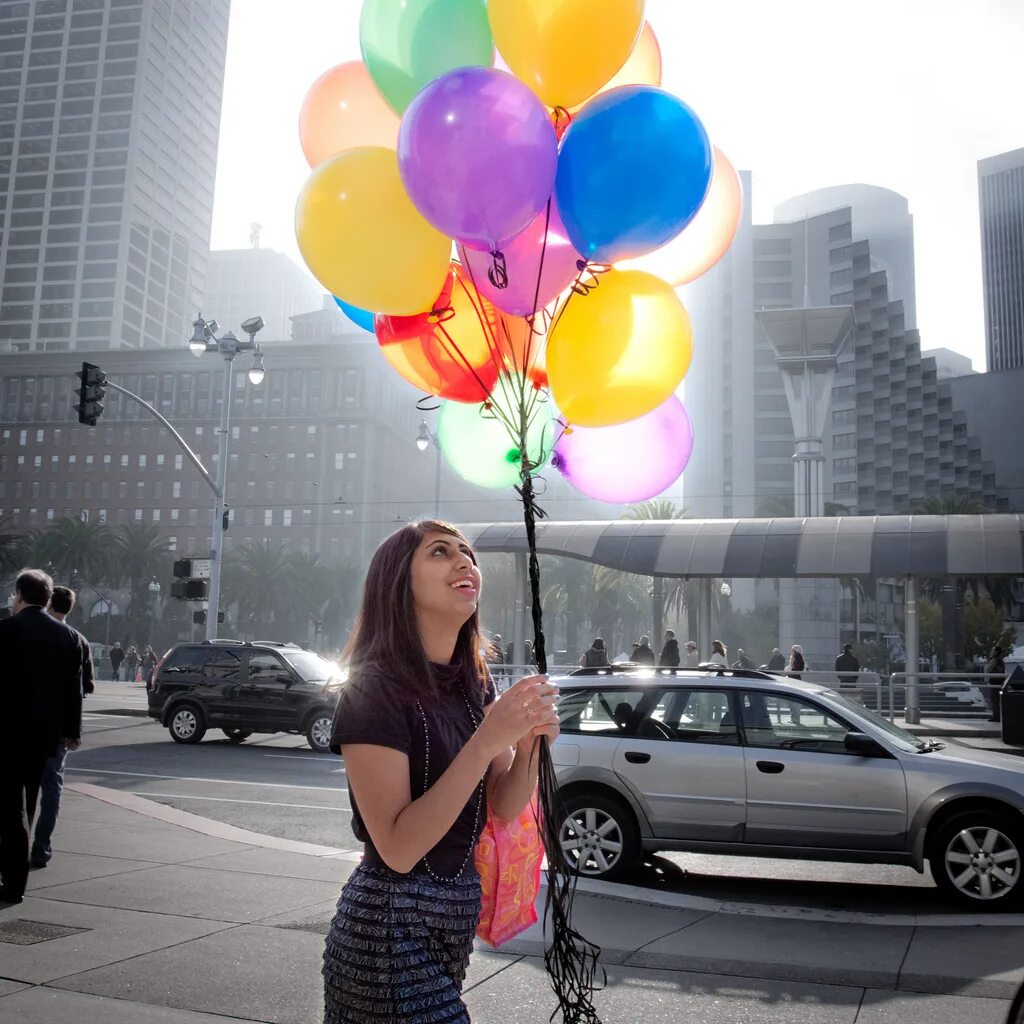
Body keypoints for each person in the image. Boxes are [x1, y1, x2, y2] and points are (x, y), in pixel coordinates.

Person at [323, 521, 558, 1022]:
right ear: (398, 583)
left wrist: (532, 744)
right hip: (386, 934)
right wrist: (488, 739)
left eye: (467, 553)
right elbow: (399, 847)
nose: (464, 562)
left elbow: (502, 803)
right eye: (439, 552)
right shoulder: (373, 688)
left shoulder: (474, 680)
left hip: (451, 930)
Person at [0, 570, 83, 904]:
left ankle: (12, 878)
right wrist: (71, 731)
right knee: (27, 803)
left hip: (5, 733)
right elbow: (72, 692)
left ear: (20, 594)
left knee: (9, 810)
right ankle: (15, 876)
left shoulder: (5, 630)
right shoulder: (68, 637)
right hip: (43, 737)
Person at [31, 585, 93, 871]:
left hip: (25, 724)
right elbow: (84, 687)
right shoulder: (78, 640)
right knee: (52, 788)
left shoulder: (28, 631)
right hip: (57, 729)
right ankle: (41, 848)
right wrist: (74, 730)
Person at [985, 645, 1006, 722]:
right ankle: (998, 716)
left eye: (993, 650)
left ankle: (996, 717)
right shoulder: (1001, 660)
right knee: (999, 701)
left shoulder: (994, 660)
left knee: (994, 700)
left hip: (994, 683)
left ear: (996, 652)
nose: (991, 651)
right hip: (1001, 682)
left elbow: (988, 669)